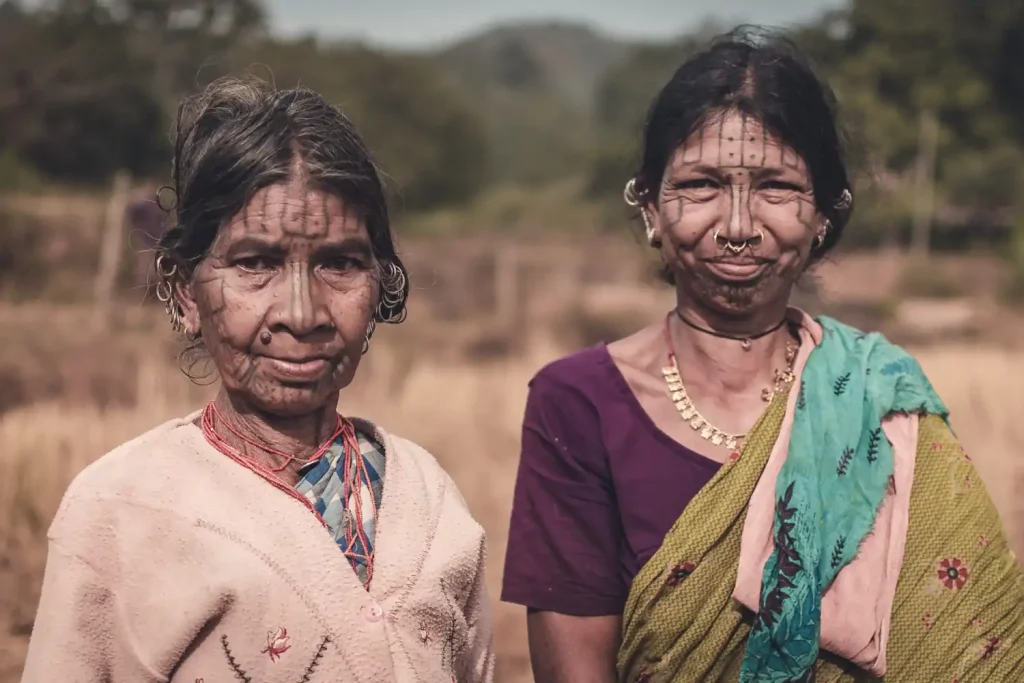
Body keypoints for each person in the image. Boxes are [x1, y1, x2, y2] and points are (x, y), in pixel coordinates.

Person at [501, 28, 1024, 683]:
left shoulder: (880, 399)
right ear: (652, 209)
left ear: (825, 217)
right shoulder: (577, 403)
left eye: (776, 187)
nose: (739, 228)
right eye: (701, 185)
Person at [22, 77, 494, 683]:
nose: (301, 313)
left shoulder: (429, 501)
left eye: (341, 263)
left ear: (380, 284)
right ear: (187, 293)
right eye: (255, 264)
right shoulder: (120, 510)